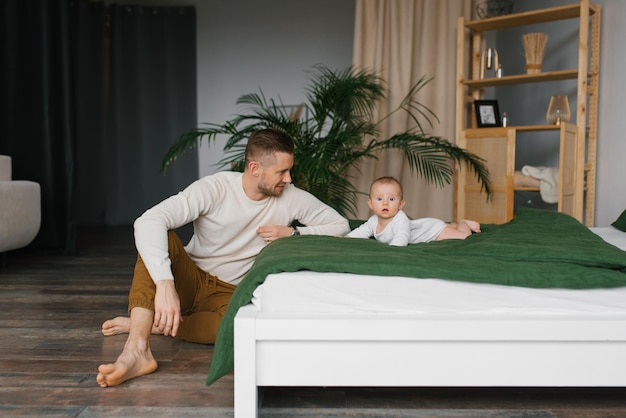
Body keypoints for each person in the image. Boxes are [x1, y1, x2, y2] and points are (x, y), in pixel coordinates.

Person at [97, 128, 349, 388]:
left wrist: (293, 233)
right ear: (255, 168)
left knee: (233, 331)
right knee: (162, 239)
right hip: (190, 278)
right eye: (282, 172)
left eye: (289, 170)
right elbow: (149, 220)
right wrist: (164, 284)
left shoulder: (291, 197)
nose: (288, 178)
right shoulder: (215, 188)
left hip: (229, 293)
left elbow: (341, 225)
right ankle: (136, 351)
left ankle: (149, 323)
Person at [347, 176, 480, 246]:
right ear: (370, 203)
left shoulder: (400, 220)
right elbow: (361, 231)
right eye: (379, 199)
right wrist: (346, 238)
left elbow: (402, 236)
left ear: (401, 204)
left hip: (433, 231)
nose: (385, 203)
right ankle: (451, 225)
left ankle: (463, 223)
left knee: (463, 236)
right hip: (423, 225)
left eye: (392, 199)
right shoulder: (373, 221)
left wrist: (393, 251)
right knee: (451, 230)